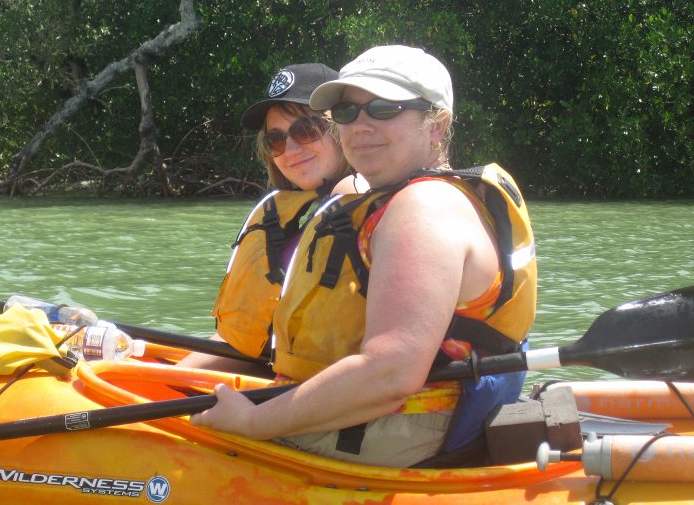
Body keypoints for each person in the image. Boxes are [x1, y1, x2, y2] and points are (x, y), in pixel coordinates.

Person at [190, 45, 537, 468]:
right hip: (376, 425)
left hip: (388, 439)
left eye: (384, 108)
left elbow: (389, 373)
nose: (360, 126)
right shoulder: (399, 201)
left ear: (437, 124)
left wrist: (252, 422)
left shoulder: (424, 207)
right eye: (347, 112)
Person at [178, 63, 366, 372]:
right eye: (275, 140)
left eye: (306, 130)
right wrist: (172, 378)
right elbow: (243, 342)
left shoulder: (357, 200)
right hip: (267, 381)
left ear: (340, 127)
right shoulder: (286, 215)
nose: (290, 150)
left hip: (313, 398)